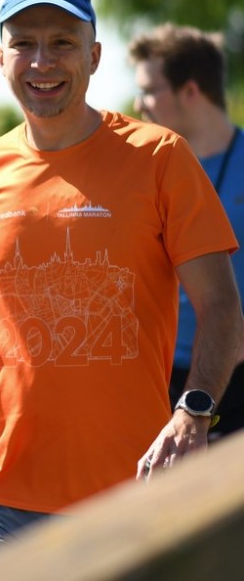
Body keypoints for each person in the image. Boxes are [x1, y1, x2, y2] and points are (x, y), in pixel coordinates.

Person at [0, 0, 242, 576]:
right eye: (24, 43)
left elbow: (221, 307)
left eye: (62, 42)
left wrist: (193, 409)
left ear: (94, 57)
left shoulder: (160, 156)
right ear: (1, 58)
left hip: (131, 493)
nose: (42, 61)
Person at [128, 23, 244, 438]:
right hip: (157, 382)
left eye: (149, 90)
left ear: (190, 91)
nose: (138, 104)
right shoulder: (145, 172)